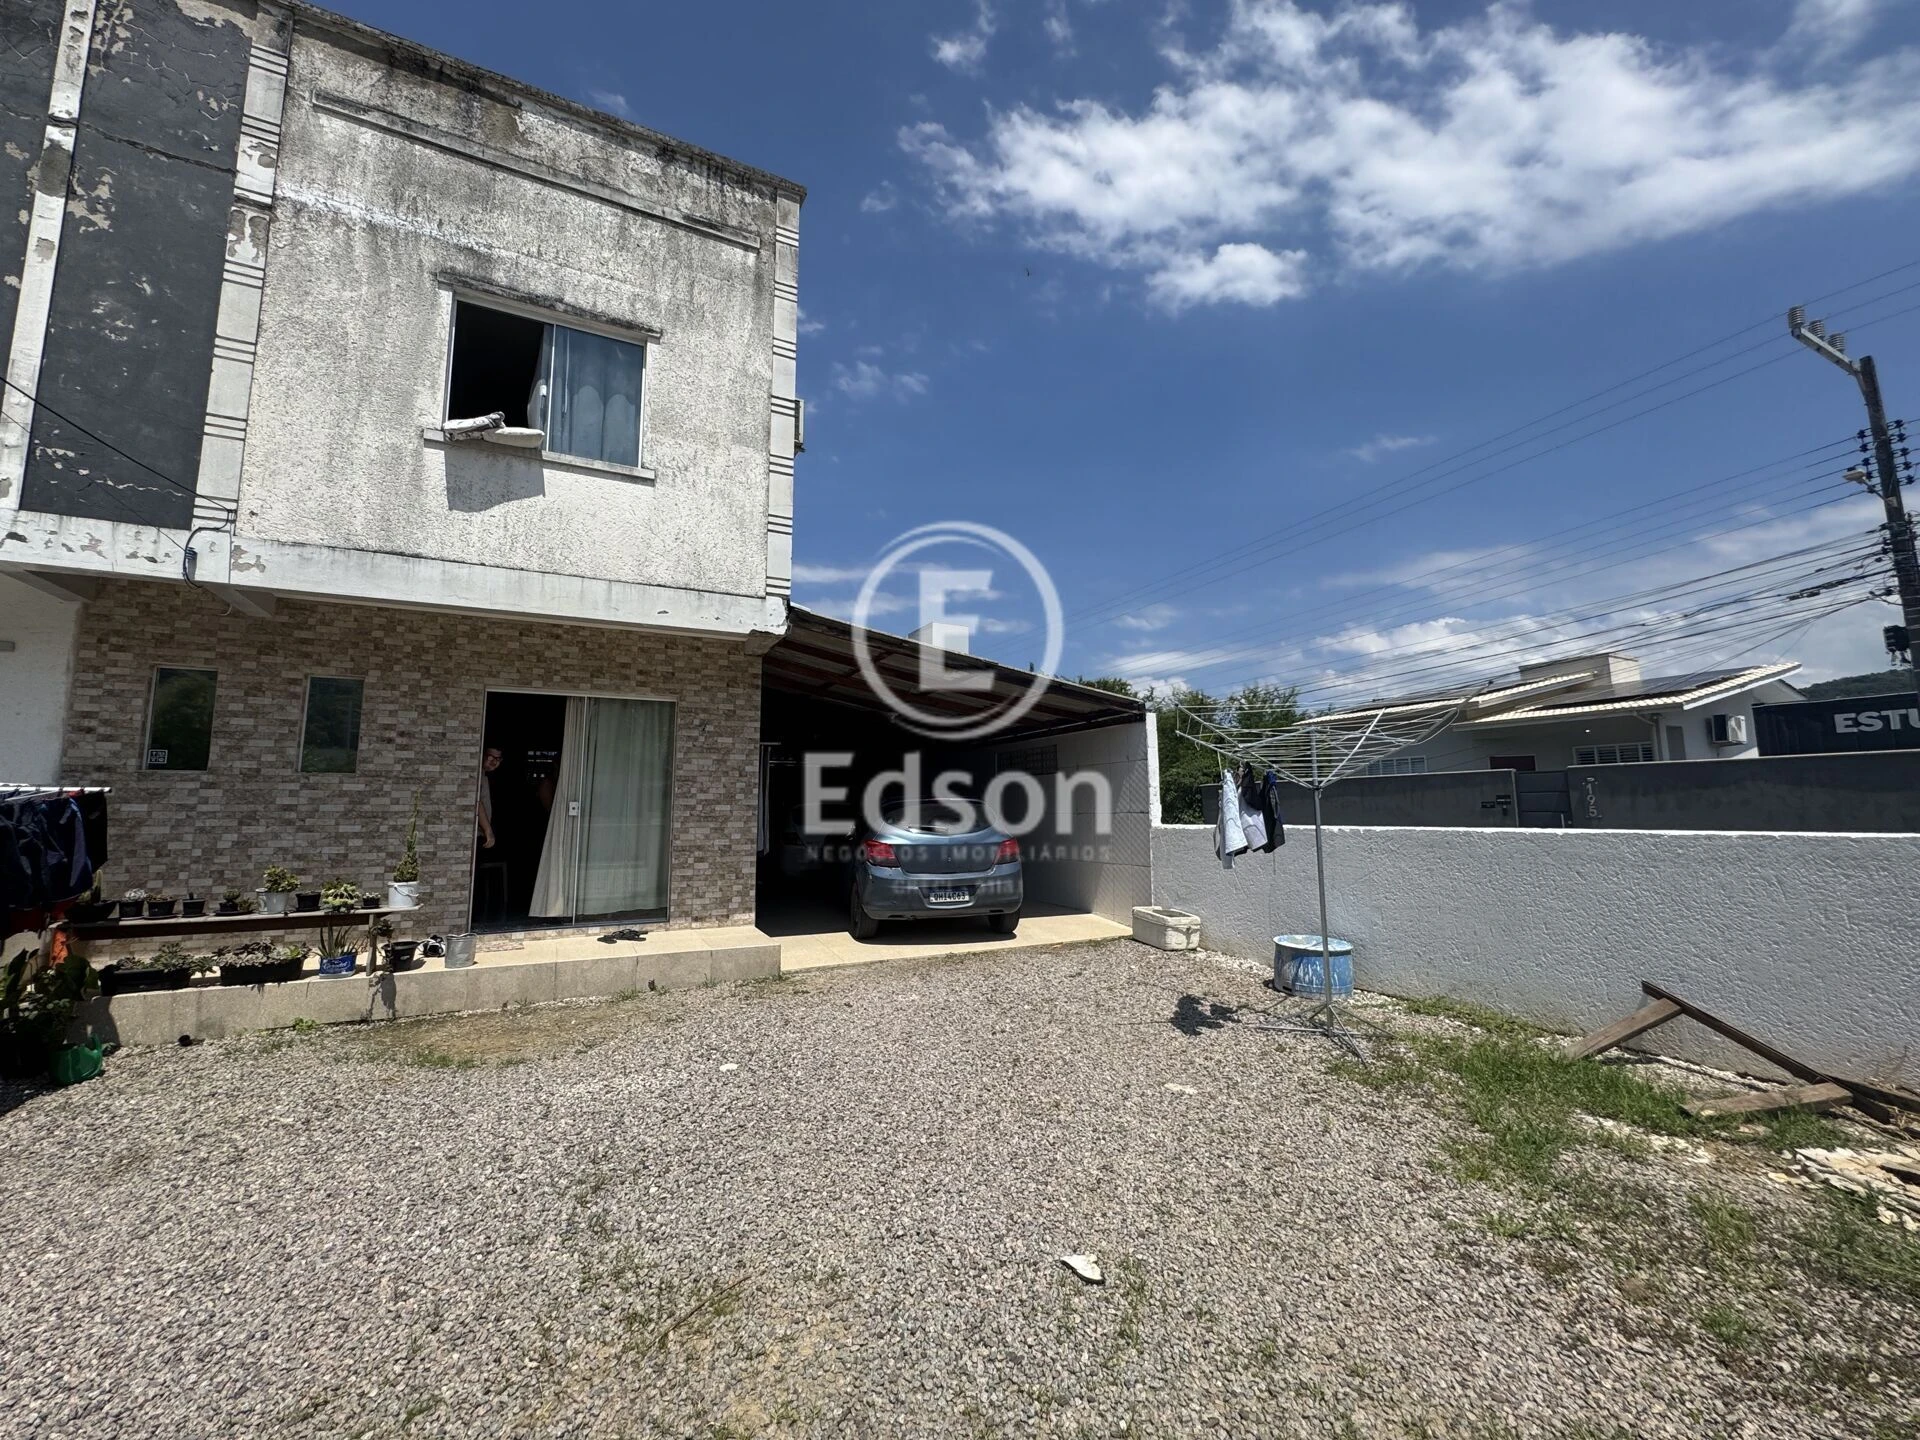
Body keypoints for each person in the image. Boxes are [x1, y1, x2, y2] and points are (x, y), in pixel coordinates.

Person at [477, 744, 502, 850]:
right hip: (478, 833)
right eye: (490, 757)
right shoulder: (477, 774)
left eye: (498, 759)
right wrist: (488, 830)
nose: (494, 762)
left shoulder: (485, 775)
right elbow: (476, 801)